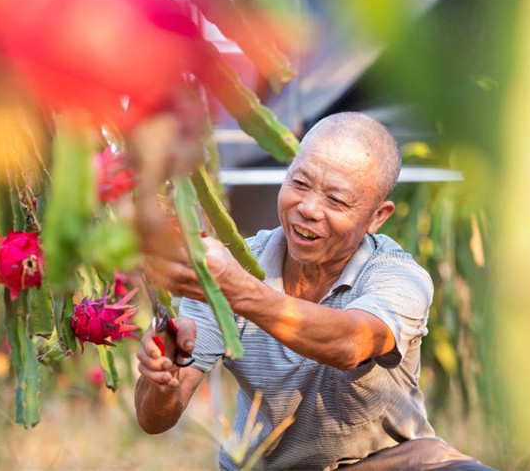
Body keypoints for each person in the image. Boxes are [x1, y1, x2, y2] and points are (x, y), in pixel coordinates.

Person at [135, 113, 493, 470]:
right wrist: (163, 378)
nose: (308, 209)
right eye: (299, 183)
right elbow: (154, 420)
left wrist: (237, 290)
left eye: (336, 200)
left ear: (377, 217)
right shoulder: (233, 268)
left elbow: (350, 343)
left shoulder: (399, 277)